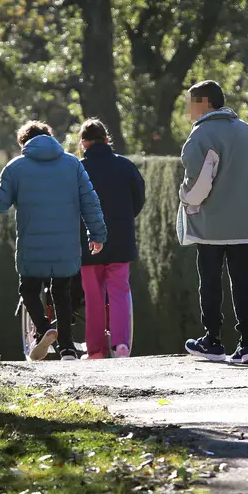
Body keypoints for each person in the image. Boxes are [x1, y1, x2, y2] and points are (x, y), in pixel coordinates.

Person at [0, 121, 107, 361]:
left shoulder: (16, 167)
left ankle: (44, 327)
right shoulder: (72, 164)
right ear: (50, 137)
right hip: (66, 245)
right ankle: (68, 349)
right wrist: (97, 235)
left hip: (31, 245)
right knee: (62, 293)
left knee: (28, 290)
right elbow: (90, 201)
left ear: (23, 143)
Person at [178, 80, 248, 364]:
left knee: (210, 282)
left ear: (205, 103)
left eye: (191, 103)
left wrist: (186, 199)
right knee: (246, 283)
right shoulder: (247, 131)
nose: (188, 110)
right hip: (247, 225)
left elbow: (199, 185)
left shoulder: (201, 135)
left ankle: (213, 340)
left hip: (212, 224)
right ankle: (247, 343)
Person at [77, 118, 145, 359]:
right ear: (107, 140)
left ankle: (95, 349)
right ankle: (121, 345)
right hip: (121, 238)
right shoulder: (126, 166)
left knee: (93, 294)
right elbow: (139, 200)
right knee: (119, 290)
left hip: (88, 241)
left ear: (83, 143)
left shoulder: (78, 168)